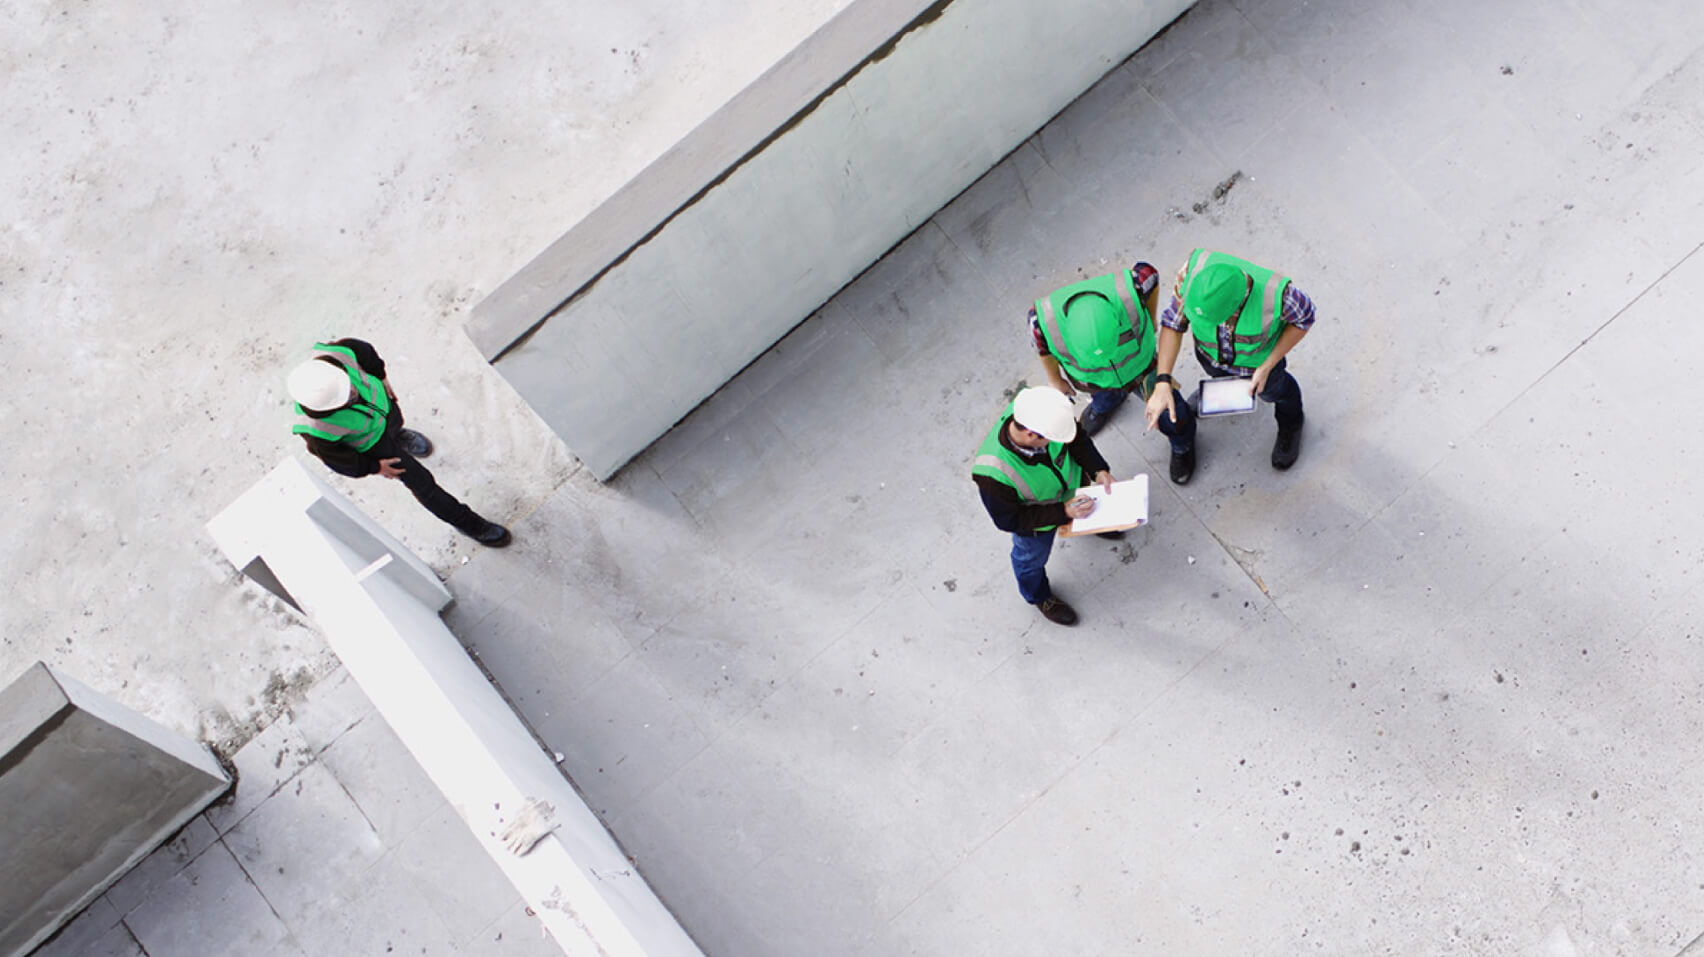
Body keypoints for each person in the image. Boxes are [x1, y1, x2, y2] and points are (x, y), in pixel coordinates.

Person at [287, 338, 512, 547]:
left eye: (348, 389)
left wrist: (381, 377)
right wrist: (375, 467)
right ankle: (470, 524)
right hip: (377, 448)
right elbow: (339, 461)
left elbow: (365, 351)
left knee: (396, 423)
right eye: (344, 399)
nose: (352, 394)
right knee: (423, 484)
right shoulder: (315, 431)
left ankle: (400, 436)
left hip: (387, 412)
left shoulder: (337, 355)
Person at [1143, 248, 1315, 472]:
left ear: (1236, 306)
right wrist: (1163, 380)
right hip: (1211, 357)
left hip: (1259, 367)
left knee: (1278, 391)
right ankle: (1220, 391)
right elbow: (1173, 325)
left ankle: (1291, 423)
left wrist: (1268, 365)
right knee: (1218, 378)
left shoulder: (1280, 296)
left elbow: (1305, 318)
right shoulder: (1191, 275)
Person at [1030, 261, 1198, 484]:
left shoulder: (1135, 286)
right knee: (1103, 396)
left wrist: (1151, 316)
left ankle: (1182, 444)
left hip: (1142, 367)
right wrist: (1055, 380)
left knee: (1171, 413)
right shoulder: (1043, 321)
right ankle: (1106, 404)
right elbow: (1043, 348)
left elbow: (1152, 277)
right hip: (1097, 380)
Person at [971, 386, 1118, 626]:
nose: (1058, 441)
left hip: (1075, 489)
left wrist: (1098, 469)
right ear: (1031, 435)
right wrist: (1063, 512)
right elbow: (1009, 520)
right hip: (1038, 523)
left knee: (1088, 510)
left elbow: (1077, 439)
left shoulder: (1046, 413)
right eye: (1053, 439)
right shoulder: (992, 474)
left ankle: (1092, 523)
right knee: (1029, 561)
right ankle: (1038, 596)